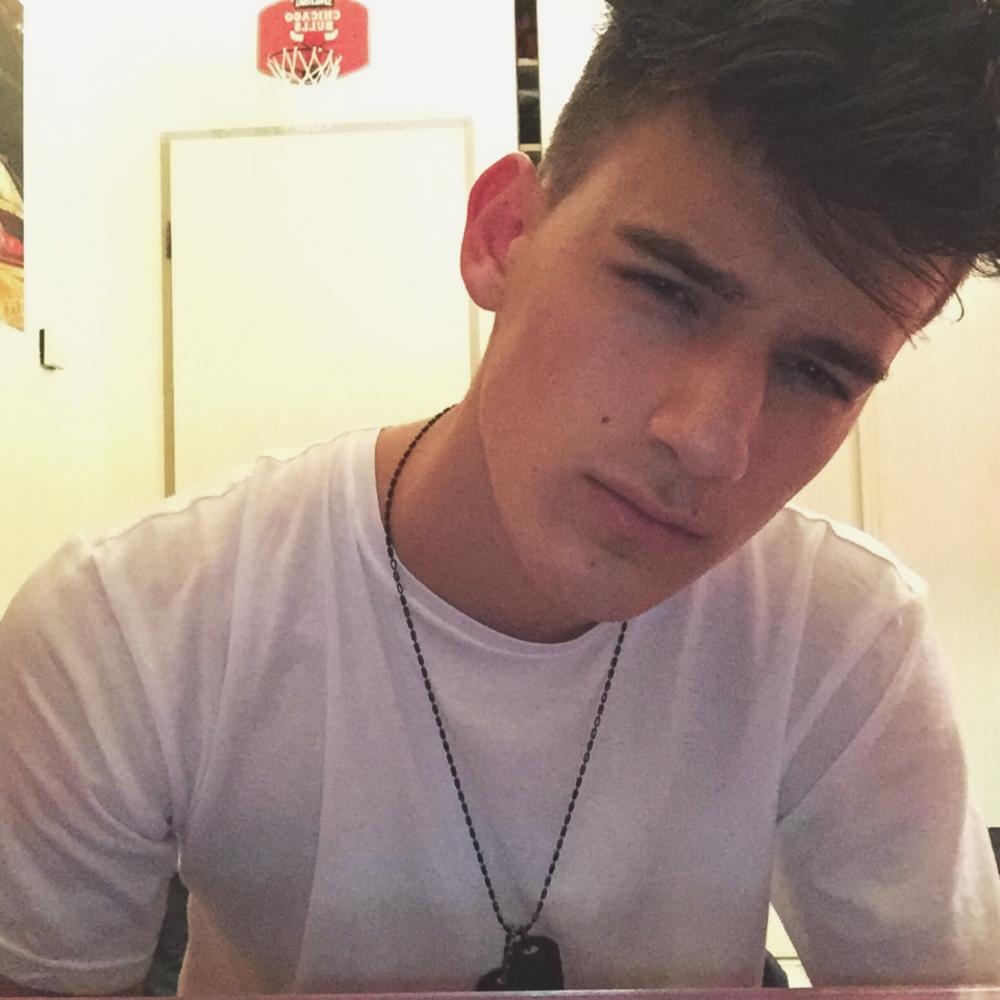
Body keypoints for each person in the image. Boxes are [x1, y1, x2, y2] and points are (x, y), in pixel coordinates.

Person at [3, 0, 1000, 993]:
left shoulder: (844, 638)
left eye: (819, 373)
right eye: (665, 290)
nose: (708, 441)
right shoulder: (128, 630)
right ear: (503, 234)